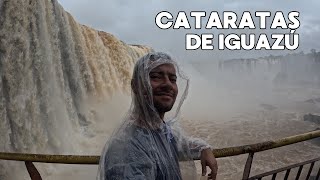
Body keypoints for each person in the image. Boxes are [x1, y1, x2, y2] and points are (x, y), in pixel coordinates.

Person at [97, 52, 218, 180]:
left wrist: (203, 148)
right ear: (135, 86)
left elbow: (177, 143)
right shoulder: (126, 149)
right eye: (156, 77)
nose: (168, 84)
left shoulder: (158, 129)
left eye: (173, 79)